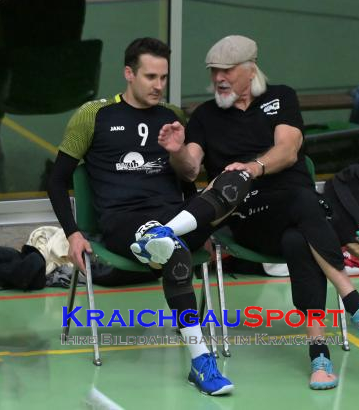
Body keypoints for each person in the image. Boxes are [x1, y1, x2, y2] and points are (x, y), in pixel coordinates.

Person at [132, 35, 359, 390]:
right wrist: (177, 150)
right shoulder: (206, 116)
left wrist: (253, 167)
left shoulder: (280, 98)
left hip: (292, 211)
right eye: (214, 73)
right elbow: (191, 169)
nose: (218, 79)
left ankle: (319, 355)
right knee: (306, 207)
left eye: (227, 71)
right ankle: (354, 302)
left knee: (298, 237)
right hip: (247, 217)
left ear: (250, 70)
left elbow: (288, 150)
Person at [46, 37, 240, 396]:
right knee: (176, 252)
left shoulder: (172, 117)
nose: (158, 85)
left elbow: (187, 182)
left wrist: (178, 151)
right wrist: (73, 232)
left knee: (236, 182)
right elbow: (56, 181)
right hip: (124, 222)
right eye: (151, 76)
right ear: (128, 73)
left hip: (172, 215)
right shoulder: (94, 115)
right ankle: (201, 362)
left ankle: (167, 233)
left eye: (164, 78)